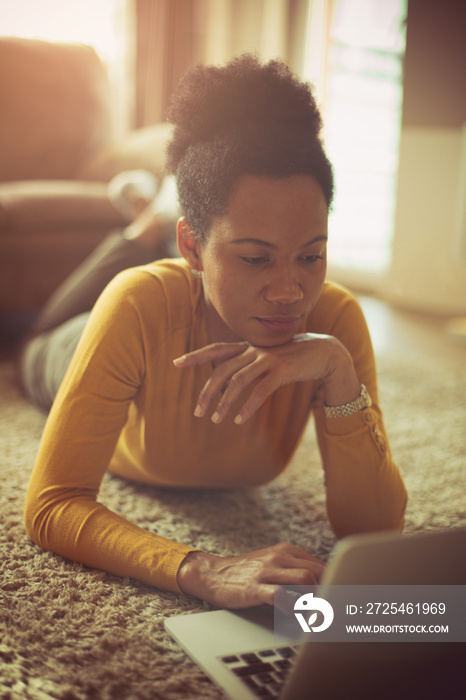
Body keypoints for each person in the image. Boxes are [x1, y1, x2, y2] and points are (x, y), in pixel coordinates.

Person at [22, 55, 407, 611]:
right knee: (38, 336)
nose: (289, 292)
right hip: (67, 343)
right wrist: (201, 568)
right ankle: (142, 223)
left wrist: (341, 377)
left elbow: (375, 532)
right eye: (255, 259)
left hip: (187, 271)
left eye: (311, 255)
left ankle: (151, 221)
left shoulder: (335, 320)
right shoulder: (136, 305)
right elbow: (52, 505)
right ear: (194, 247)